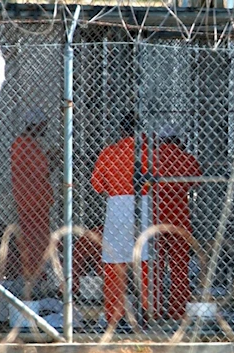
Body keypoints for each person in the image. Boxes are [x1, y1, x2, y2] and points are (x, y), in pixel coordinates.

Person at [91, 114, 150, 331]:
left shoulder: (109, 152)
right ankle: (146, 313)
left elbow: (97, 184)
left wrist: (114, 187)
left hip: (116, 206)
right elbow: (157, 180)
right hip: (143, 204)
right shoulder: (147, 152)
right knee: (143, 260)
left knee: (114, 261)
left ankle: (113, 315)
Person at [152, 124, 202, 320]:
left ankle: (153, 309)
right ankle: (177, 310)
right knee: (179, 265)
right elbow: (196, 179)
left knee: (155, 264)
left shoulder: (152, 156)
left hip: (156, 214)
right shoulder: (186, 158)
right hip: (179, 215)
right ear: (178, 140)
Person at [10, 108, 56, 295]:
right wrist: (55, 157)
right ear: (36, 125)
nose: (46, 128)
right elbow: (42, 170)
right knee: (36, 241)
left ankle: (34, 277)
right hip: (34, 203)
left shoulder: (21, 144)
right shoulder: (27, 146)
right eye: (43, 124)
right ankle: (35, 279)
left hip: (29, 201)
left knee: (32, 240)